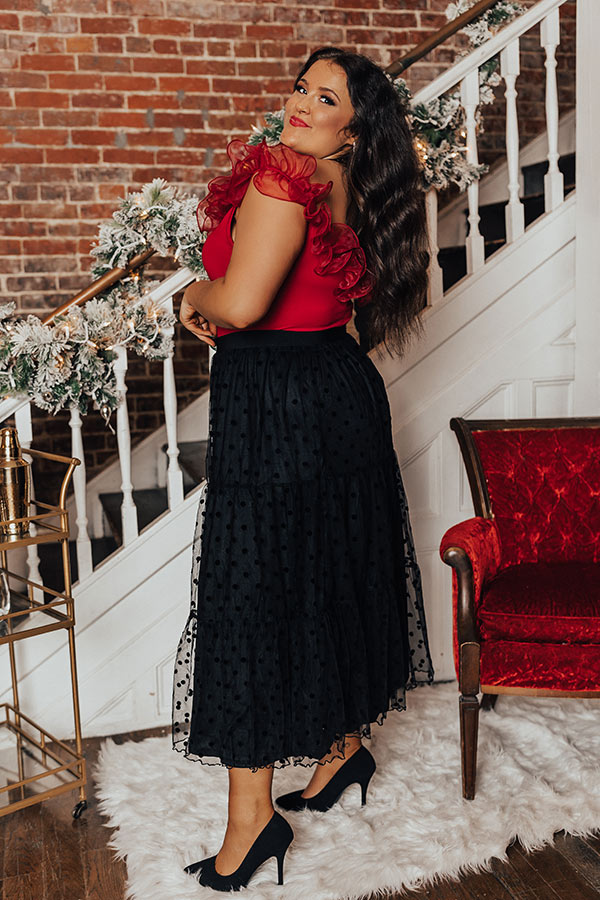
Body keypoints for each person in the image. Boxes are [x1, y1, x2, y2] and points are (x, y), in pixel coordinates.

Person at [172, 45, 434, 893]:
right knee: (330, 572)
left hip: (277, 403)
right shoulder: (347, 181)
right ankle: (344, 750)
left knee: (251, 598)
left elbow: (243, 304)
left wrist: (191, 296)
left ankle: (250, 825)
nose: (301, 103)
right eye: (301, 87)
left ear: (353, 128)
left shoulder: (285, 176)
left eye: (326, 97)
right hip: (336, 389)